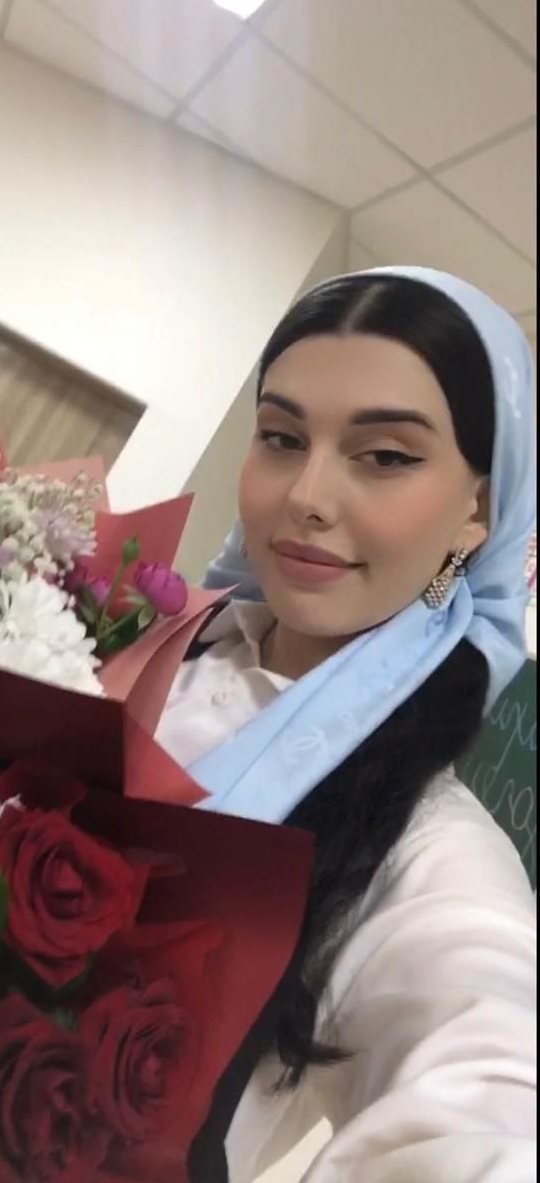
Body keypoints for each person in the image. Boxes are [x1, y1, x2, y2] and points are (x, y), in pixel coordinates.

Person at [156, 268, 536, 1183]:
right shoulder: (146, 649)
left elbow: (487, 1099)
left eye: (385, 455)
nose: (307, 495)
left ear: (476, 512)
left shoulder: (426, 850)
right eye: (281, 438)